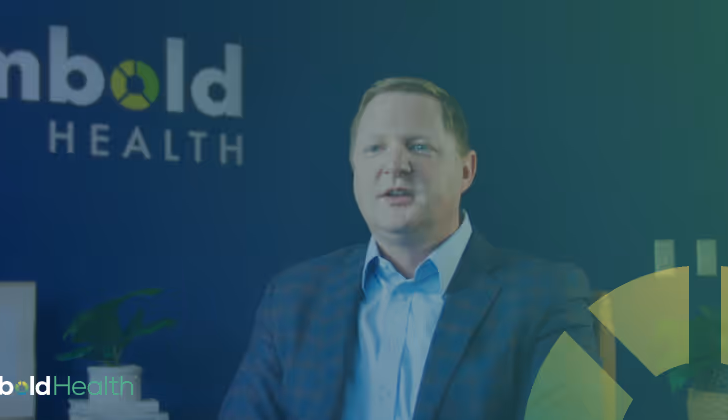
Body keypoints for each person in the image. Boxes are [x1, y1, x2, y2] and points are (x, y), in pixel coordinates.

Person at [218, 77, 600, 420]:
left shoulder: (545, 296)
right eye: (374, 148)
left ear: (466, 170)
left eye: (418, 146)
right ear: (354, 168)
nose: (395, 165)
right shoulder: (292, 299)